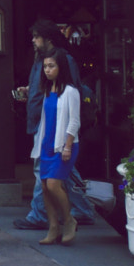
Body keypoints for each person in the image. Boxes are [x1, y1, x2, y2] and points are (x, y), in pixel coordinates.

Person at [12, 21, 97, 230]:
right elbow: (44, 85)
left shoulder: (62, 60)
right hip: (43, 118)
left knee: (43, 167)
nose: (33, 41)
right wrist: (29, 90)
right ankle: (84, 210)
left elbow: (70, 89)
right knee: (64, 169)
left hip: (52, 122)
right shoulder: (41, 60)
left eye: (36, 37)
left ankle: (39, 215)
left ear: (47, 39)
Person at [36, 49, 83, 246]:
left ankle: (69, 220)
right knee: (46, 187)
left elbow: (74, 121)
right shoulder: (47, 90)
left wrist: (67, 146)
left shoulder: (71, 91)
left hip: (64, 145)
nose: (47, 70)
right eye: (45, 66)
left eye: (51, 66)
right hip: (47, 144)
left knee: (54, 184)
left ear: (61, 67)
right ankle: (53, 227)